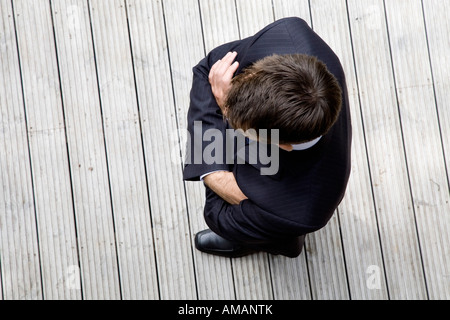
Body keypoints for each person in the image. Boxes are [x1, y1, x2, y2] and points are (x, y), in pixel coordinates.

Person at [183, 17, 352, 258]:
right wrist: (225, 99)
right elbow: (207, 69)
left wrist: (213, 173)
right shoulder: (289, 34)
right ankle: (268, 233)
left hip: (294, 198)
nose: (226, 115)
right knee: (273, 225)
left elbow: (217, 215)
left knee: (277, 229)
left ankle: (260, 238)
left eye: (237, 126)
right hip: (280, 188)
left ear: (282, 144)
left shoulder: (306, 209)